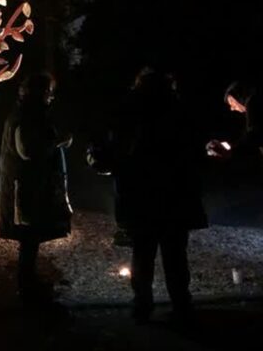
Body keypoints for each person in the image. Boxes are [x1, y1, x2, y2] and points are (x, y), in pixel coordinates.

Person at [100, 68, 207, 324]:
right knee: (175, 256)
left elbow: (118, 148)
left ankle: (142, 305)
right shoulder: (178, 111)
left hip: (141, 194)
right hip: (175, 195)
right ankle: (182, 304)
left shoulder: (130, 111)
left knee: (143, 253)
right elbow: (191, 151)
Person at [0, 73, 73, 306]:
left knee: (31, 238)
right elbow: (28, 150)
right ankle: (27, 287)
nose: (51, 97)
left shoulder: (30, 114)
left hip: (32, 185)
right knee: (29, 237)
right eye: (48, 91)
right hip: (27, 187)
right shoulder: (26, 117)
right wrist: (58, 142)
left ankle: (29, 282)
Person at [206, 81, 262, 160]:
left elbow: (253, 136)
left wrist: (231, 150)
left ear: (239, 95)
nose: (232, 108)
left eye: (232, 102)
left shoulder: (252, 102)